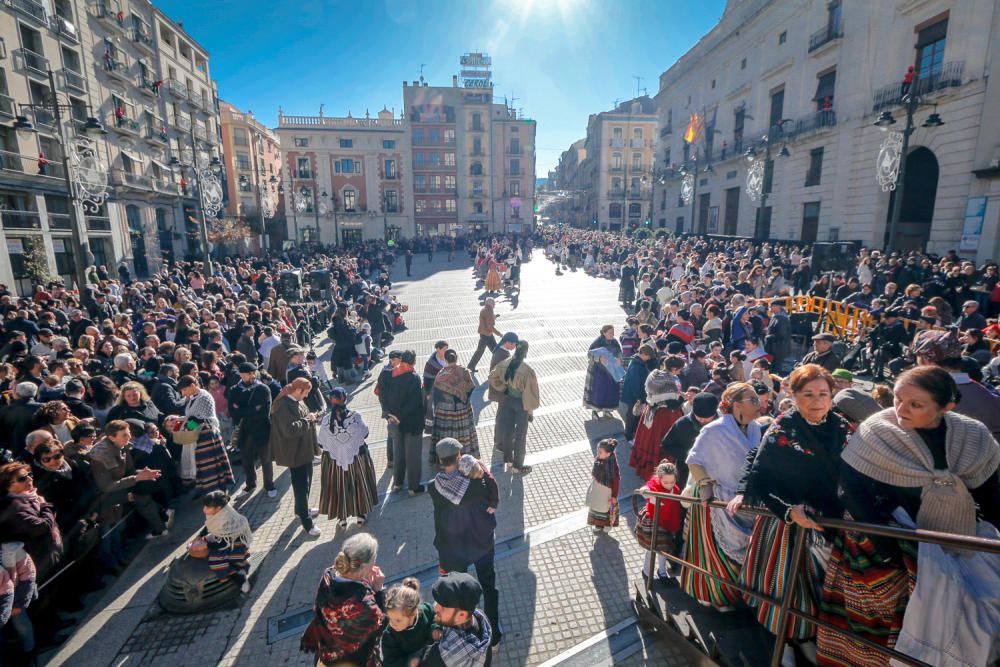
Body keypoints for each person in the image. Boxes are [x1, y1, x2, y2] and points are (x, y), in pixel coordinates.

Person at [817, 366, 1000, 666]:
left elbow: (989, 494)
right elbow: (851, 490)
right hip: (892, 534)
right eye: (898, 399)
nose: (901, 409)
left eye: (915, 404)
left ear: (946, 407)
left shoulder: (972, 437)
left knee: (983, 604)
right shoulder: (877, 433)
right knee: (925, 609)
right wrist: (890, 548)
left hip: (960, 530)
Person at [736, 364, 850, 642]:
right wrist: (789, 511)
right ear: (794, 394)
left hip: (832, 519)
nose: (817, 401)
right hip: (790, 521)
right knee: (788, 586)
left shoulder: (841, 426)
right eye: (808, 394)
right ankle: (786, 639)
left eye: (823, 393)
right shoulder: (783, 428)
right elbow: (761, 478)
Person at [681, 383, 761, 610]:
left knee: (745, 551)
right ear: (737, 405)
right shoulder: (714, 429)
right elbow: (694, 459)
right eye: (753, 400)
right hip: (715, 499)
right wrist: (706, 488)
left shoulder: (755, 428)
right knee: (711, 552)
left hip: (745, 501)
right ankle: (710, 595)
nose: (760, 404)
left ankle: (737, 596)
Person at [429, 438, 501, 647]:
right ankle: (493, 633)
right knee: (489, 587)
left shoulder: (434, 487)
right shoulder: (477, 482)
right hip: (482, 544)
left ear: (441, 461)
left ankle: (464, 632)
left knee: (458, 593)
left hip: (453, 550)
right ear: (459, 457)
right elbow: (492, 495)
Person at [300, 534, 386, 666]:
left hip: (326, 655)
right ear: (363, 567)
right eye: (374, 558)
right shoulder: (365, 604)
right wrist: (378, 590)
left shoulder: (328, 575)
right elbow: (380, 625)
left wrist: (363, 583)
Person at [316, 387, 378, 529]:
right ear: (345, 399)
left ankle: (342, 518)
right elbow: (365, 434)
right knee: (358, 484)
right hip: (357, 458)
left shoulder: (326, 421)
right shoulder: (355, 417)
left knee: (338, 486)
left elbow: (321, 443)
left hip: (334, 462)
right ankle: (360, 514)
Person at [269, 377, 320, 536]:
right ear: (298, 390)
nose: (306, 396)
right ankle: (307, 522)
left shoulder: (296, 401)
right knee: (301, 487)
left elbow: (302, 418)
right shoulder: (284, 406)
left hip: (305, 451)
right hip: (295, 454)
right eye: (306, 393)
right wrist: (308, 419)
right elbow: (290, 430)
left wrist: (310, 416)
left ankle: (301, 509)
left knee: (307, 483)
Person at [0, 462, 62, 583]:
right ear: (8, 485)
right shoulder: (13, 507)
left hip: (50, 549)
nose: (29, 478)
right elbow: (41, 527)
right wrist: (45, 506)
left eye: (29, 474)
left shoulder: (29, 495)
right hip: (40, 558)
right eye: (22, 478)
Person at [171, 375, 233, 494]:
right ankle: (209, 491)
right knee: (203, 466)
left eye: (184, 390)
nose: (183, 393)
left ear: (193, 386)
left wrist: (185, 426)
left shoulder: (203, 397)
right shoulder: (193, 397)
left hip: (208, 436)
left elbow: (202, 419)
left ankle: (220, 492)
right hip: (200, 436)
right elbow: (193, 417)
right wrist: (182, 421)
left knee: (212, 466)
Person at [421, 572, 493, 666]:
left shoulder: (442, 655)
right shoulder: (481, 617)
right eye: (437, 601)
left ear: (462, 615)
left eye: (443, 606)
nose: (436, 607)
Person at [628, 361, 684, 482]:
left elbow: (650, 394)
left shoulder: (654, 374)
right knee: (663, 441)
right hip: (665, 417)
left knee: (648, 440)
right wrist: (681, 399)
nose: (680, 372)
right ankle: (663, 472)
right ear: (674, 369)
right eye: (679, 370)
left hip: (651, 412)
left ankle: (646, 468)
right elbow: (673, 402)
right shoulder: (671, 381)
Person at [489, 340, 540, 474]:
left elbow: (492, 377)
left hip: (507, 400)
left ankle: (508, 460)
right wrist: (529, 411)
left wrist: (503, 388)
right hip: (520, 403)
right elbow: (530, 395)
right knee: (520, 435)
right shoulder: (527, 371)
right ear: (526, 352)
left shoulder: (505, 363)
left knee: (508, 430)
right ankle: (518, 466)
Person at [228, 363, 275, 498]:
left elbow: (263, 412)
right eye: (247, 374)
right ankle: (250, 484)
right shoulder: (235, 390)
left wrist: (241, 410)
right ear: (241, 375)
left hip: (261, 429)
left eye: (253, 373)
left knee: (265, 460)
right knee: (246, 460)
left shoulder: (263, 389)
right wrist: (252, 409)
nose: (251, 376)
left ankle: (269, 485)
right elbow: (232, 411)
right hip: (244, 431)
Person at [192, 490, 252, 594]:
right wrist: (199, 537)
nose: (204, 509)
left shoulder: (225, 519)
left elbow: (223, 544)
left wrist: (206, 545)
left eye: (207, 507)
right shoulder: (217, 512)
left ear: (218, 508)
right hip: (223, 538)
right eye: (204, 506)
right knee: (203, 540)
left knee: (215, 561)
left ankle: (238, 575)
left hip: (235, 543)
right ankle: (237, 566)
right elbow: (209, 526)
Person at [383, 350, 425, 496]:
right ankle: (413, 487)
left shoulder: (389, 374)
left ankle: (398, 483)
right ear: (413, 362)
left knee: (398, 452)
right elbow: (415, 402)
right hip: (411, 422)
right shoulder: (414, 378)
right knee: (412, 455)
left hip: (394, 421)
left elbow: (382, 395)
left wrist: (389, 415)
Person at [660, 392, 719, 489]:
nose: (702, 421)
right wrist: (689, 455)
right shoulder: (682, 424)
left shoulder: (722, 423)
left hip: (716, 471)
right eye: (699, 418)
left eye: (707, 419)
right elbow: (666, 445)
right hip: (687, 472)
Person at [636, 460, 683, 579]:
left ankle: (662, 571)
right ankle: (646, 571)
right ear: (659, 478)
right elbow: (648, 488)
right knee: (651, 549)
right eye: (666, 482)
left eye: (672, 482)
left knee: (664, 549)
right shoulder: (655, 486)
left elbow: (676, 508)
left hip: (665, 523)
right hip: (653, 520)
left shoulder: (675, 489)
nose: (669, 485)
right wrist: (644, 489)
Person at [431, 349, 479, 457]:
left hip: (445, 410)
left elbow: (436, 394)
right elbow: (471, 386)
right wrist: (464, 399)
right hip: (463, 408)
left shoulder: (441, 374)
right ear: (456, 358)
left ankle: (447, 458)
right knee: (463, 432)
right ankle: (466, 455)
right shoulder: (464, 371)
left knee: (447, 434)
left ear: (445, 359)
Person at [379, 577, 436, 667]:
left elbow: (436, 618)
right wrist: (409, 662)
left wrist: (435, 628)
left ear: (413, 613)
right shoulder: (389, 636)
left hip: (434, 657)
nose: (392, 623)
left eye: (398, 620)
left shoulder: (426, 610)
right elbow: (389, 663)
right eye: (390, 618)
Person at [584, 324, 624, 420]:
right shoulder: (598, 342)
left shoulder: (614, 342)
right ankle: (595, 412)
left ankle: (607, 411)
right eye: (610, 333)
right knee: (598, 392)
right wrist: (599, 358)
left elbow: (619, 351)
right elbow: (589, 354)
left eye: (613, 332)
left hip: (611, 372)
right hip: (599, 372)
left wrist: (619, 358)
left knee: (610, 392)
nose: (612, 334)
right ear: (604, 333)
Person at [620, 344, 656, 442]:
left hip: (633, 395)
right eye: (648, 356)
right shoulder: (637, 366)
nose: (649, 359)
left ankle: (630, 434)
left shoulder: (636, 362)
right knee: (632, 416)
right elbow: (635, 384)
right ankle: (628, 436)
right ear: (643, 354)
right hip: (634, 396)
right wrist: (638, 398)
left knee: (633, 415)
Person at [586, 438, 620, 534]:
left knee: (606, 509)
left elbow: (616, 481)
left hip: (607, 492)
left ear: (608, 454)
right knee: (596, 507)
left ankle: (607, 524)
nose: (598, 453)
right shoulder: (598, 459)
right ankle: (597, 524)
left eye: (600, 452)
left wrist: (614, 496)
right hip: (597, 489)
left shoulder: (613, 466)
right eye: (598, 451)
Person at [467, 298, 501, 373]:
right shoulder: (488, 311)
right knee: (481, 351)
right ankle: (470, 367)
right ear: (490, 304)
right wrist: (499, 333)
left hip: (487, 334)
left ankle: (500, 365)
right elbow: (489, 326)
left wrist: (494, 317)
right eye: (494, 303)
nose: (495, 305)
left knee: (495, 350)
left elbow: (487, 320)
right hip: (486, 334)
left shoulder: (486, 309)